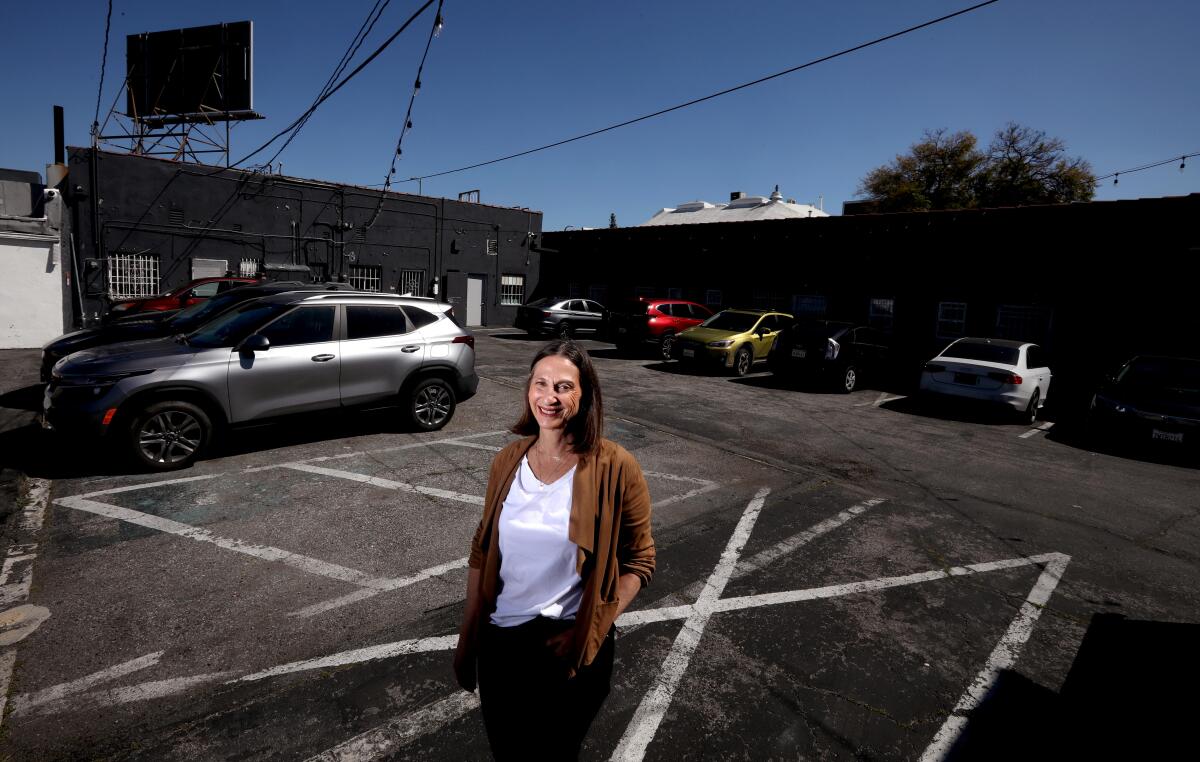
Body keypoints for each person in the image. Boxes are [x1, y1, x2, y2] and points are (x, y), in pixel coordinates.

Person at [454, 339, 656, 760]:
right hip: (502, 644)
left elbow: (640, 561)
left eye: (564, 387)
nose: (550, 397)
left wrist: (594, 625)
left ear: (584, 396)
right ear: (529, 390)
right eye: (541, 384)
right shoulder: (507, 460)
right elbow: (482, 549)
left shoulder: (615, 466)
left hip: (566, 644)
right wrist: (468, 638)